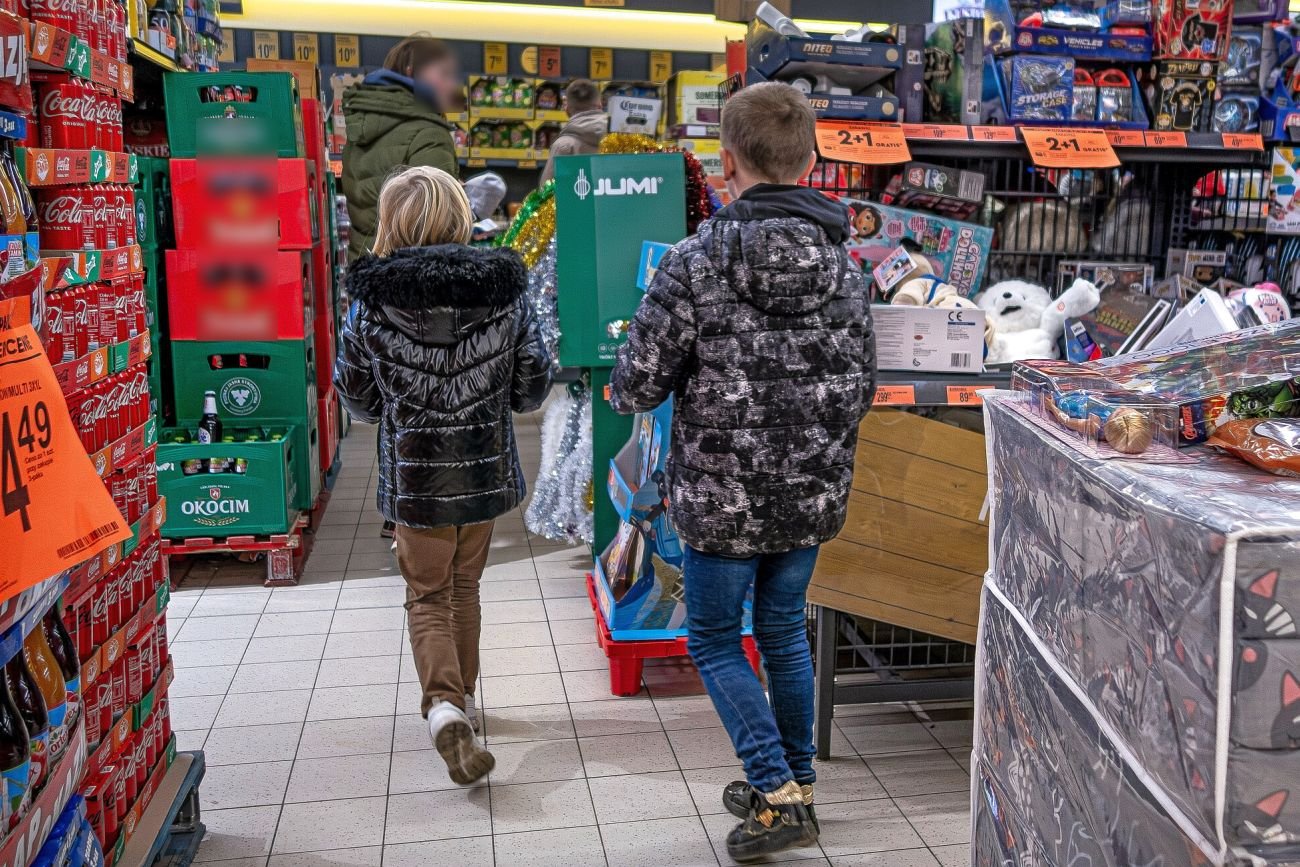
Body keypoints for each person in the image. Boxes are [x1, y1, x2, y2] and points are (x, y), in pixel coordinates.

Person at [608, 82, 876, 862]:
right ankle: (794, 781)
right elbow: (863, 383)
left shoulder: (697, 261)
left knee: (717, 640)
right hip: (809, 493)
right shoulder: (842, 262)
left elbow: (636, 384)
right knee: (784, 629)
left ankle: (777, 788)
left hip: (721, 501)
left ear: (726, 163)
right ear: (811, 157)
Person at [333, 166, 553, 785]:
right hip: (483, 471)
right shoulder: (505, 291)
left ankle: (445, 707)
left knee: (427, 593)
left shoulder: (372, 300)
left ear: (393, 221)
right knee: (465, 588)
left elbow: (359, 400)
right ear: (460, 214)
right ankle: (465, 702)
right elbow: (532, 387)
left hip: (415, 479)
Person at [341, 36, 461, 264]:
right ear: (410, 72)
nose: (452, 84)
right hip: (410, 278)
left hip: (365, 267)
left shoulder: (362, 124)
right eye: (444, 74)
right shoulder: (429, 133)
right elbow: (435, 227)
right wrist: (468, 206)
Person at [539, 79, 608, 184]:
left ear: (567, 108)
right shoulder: (621, 137)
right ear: (599, 104)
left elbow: (546, 192)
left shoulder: (564, 145)